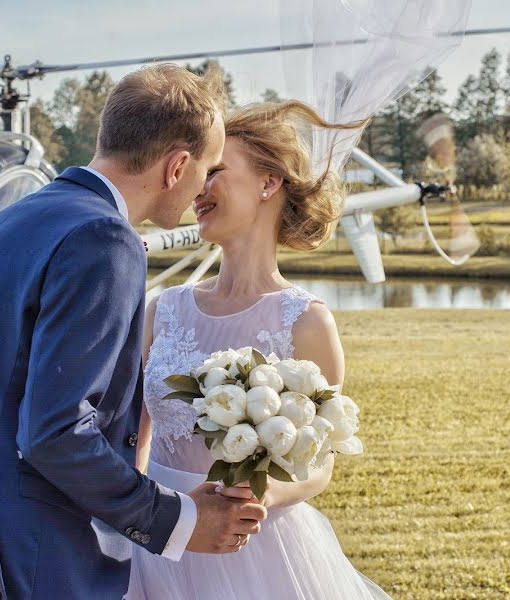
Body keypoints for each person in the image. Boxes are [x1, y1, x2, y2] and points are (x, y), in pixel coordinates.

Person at [0, 63, 269, 600]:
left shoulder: (17, 218)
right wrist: (179, 520)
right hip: (29, 558)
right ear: (176, 166)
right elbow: (55, 433)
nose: (201, 188)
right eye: (205, 170)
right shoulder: (105, 238)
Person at [126, 100, 392, 599]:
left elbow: (320, 461)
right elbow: (131, 441)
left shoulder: (307, 322)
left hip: (256, 553)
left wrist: (252, 501)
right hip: (157, 545)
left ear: (269, 183)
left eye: (217, 171)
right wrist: (144, 519)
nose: (199, 188)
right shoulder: (161, 311)